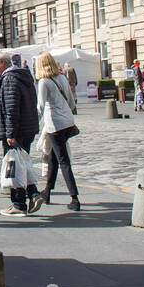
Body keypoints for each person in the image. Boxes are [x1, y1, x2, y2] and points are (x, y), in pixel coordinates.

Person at [0, 51, 42, 216]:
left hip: (16, 130)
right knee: (23, 163)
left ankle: (18, 204)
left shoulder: (9, 78)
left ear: (3, 63)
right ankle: (33, 193)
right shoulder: (23, 76)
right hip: (28, 127)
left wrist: (10, 133)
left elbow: (11, 108)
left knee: (14, 165)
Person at [34, 52, 80, 211]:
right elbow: (71, 101)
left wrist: (34, 124)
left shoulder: (43, 82)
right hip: (68, 122)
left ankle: (74, 198)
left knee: (63, 161)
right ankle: (47, 191)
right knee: (53, 157)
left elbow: (40, 106)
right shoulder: (61, 77)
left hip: (55, 124)